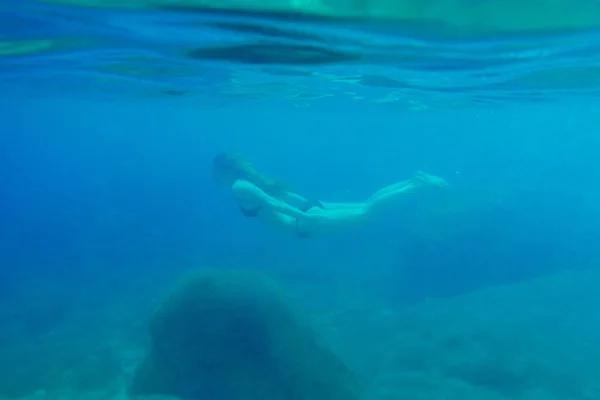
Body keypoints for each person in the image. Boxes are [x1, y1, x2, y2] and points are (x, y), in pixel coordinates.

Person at [212, 152, 449, 238]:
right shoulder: (253, 180)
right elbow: (285, 195)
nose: (214, 177)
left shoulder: (239, 187)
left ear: (226, 171)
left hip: (302, 223)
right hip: (307, 211)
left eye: (216, 172)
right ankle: (412, 180)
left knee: (367, 212)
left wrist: (308, 218)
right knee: (367, 203)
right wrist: (308, 209)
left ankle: (418, 186)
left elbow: (273, 202)